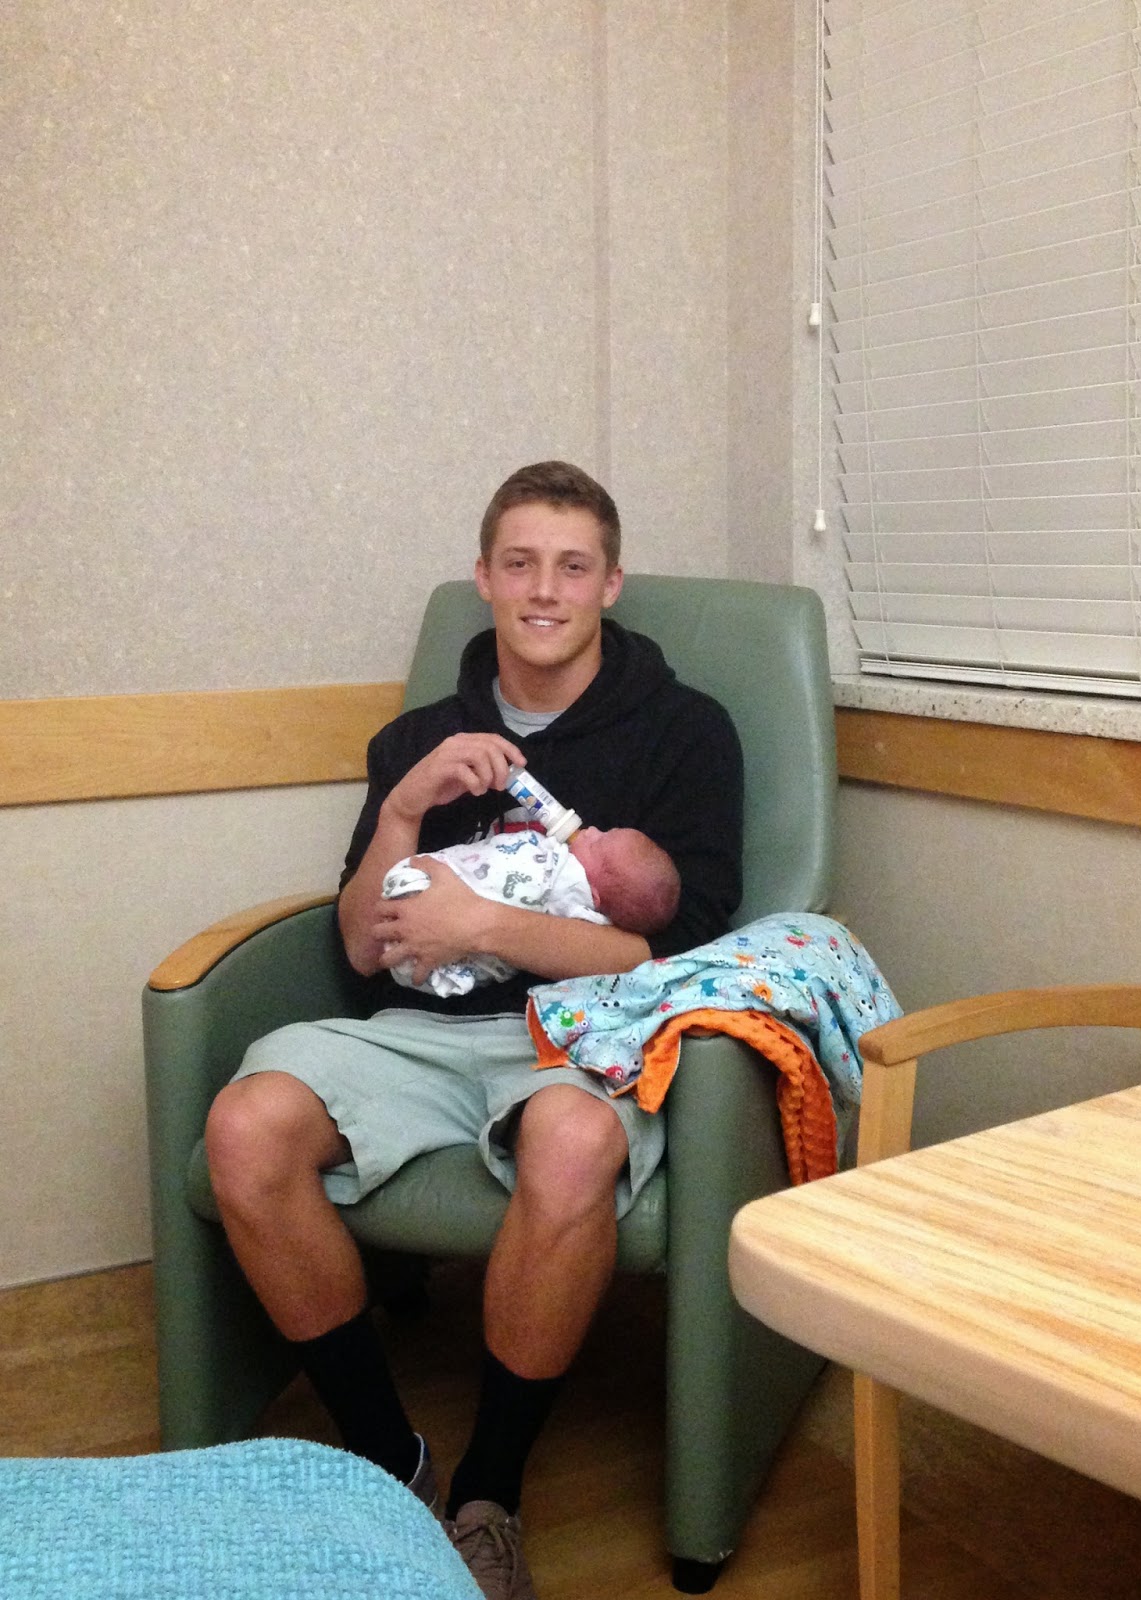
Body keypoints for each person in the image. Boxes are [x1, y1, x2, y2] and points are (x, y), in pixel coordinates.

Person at [203, 460, 743, 1600]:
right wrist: (407, 804)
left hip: (573, 1034)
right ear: (484, 577)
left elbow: (678, 954)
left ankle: (487, 1496)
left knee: (576, 1142)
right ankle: (387, 1464)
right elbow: (363, 949)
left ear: (610, 584)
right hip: (413, 1030)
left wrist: (487, 924)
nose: (545, 590)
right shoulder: (419, 736)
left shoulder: (687, 732)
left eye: (573, 566)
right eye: (520, 563)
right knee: (246, 1128)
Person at [382, 822, 681, 997]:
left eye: (598, 843)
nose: (590, 831)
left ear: (594, 896)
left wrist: (473, 922)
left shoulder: (573, 894)